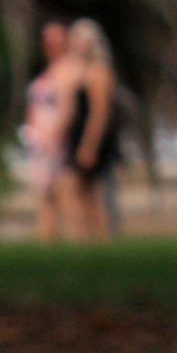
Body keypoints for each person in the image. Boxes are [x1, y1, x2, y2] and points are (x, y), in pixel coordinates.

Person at [54, 18, 122, 241]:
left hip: (91, 139)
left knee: (72, 187)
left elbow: (99, 113)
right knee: (87, 193)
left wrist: (89, 146)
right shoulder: (78, 72)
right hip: (77, 137)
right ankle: (94, 242)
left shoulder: (100, 71)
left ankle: (92, 237)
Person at [21, 20, 78, 241]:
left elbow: (68, 108)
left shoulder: (68, 70)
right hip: (38, 139)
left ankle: (80, 242)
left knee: (64, 193)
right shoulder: (48, 70)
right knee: (44, 195)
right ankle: (47, 241)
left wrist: (55, 136)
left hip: (56, 139)